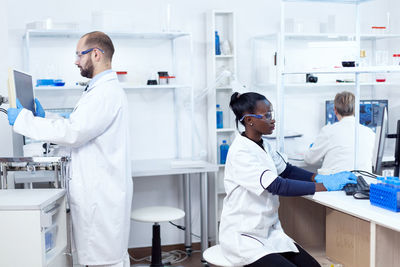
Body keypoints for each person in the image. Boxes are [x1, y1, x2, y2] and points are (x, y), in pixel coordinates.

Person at [7, 31, 133, 267]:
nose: (76, 61)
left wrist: (25, 120)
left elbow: (74, 133)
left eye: (79, 54)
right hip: (99, 191)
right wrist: (48, 118)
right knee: (103, 258)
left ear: (96, 54)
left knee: (104, 260)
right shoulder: (99, 91)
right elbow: (79, 126)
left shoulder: (105, 93)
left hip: (100, 196)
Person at [219, 92, 357, 267]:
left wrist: (321, 177)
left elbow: (287, 171)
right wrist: (324, 186)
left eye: (272, 114)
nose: (272, 120)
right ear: (249, 120)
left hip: (269, 233)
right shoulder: (241, 152)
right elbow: (278, 186)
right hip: (244, 238)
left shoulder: (263, 145)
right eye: (267, 115)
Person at [304, 91, 375, 174]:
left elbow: (309, 159)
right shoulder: (370, 133)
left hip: (334, 185)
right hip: (363, 184)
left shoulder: (328, 131)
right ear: (356, 110)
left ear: (335, 110)